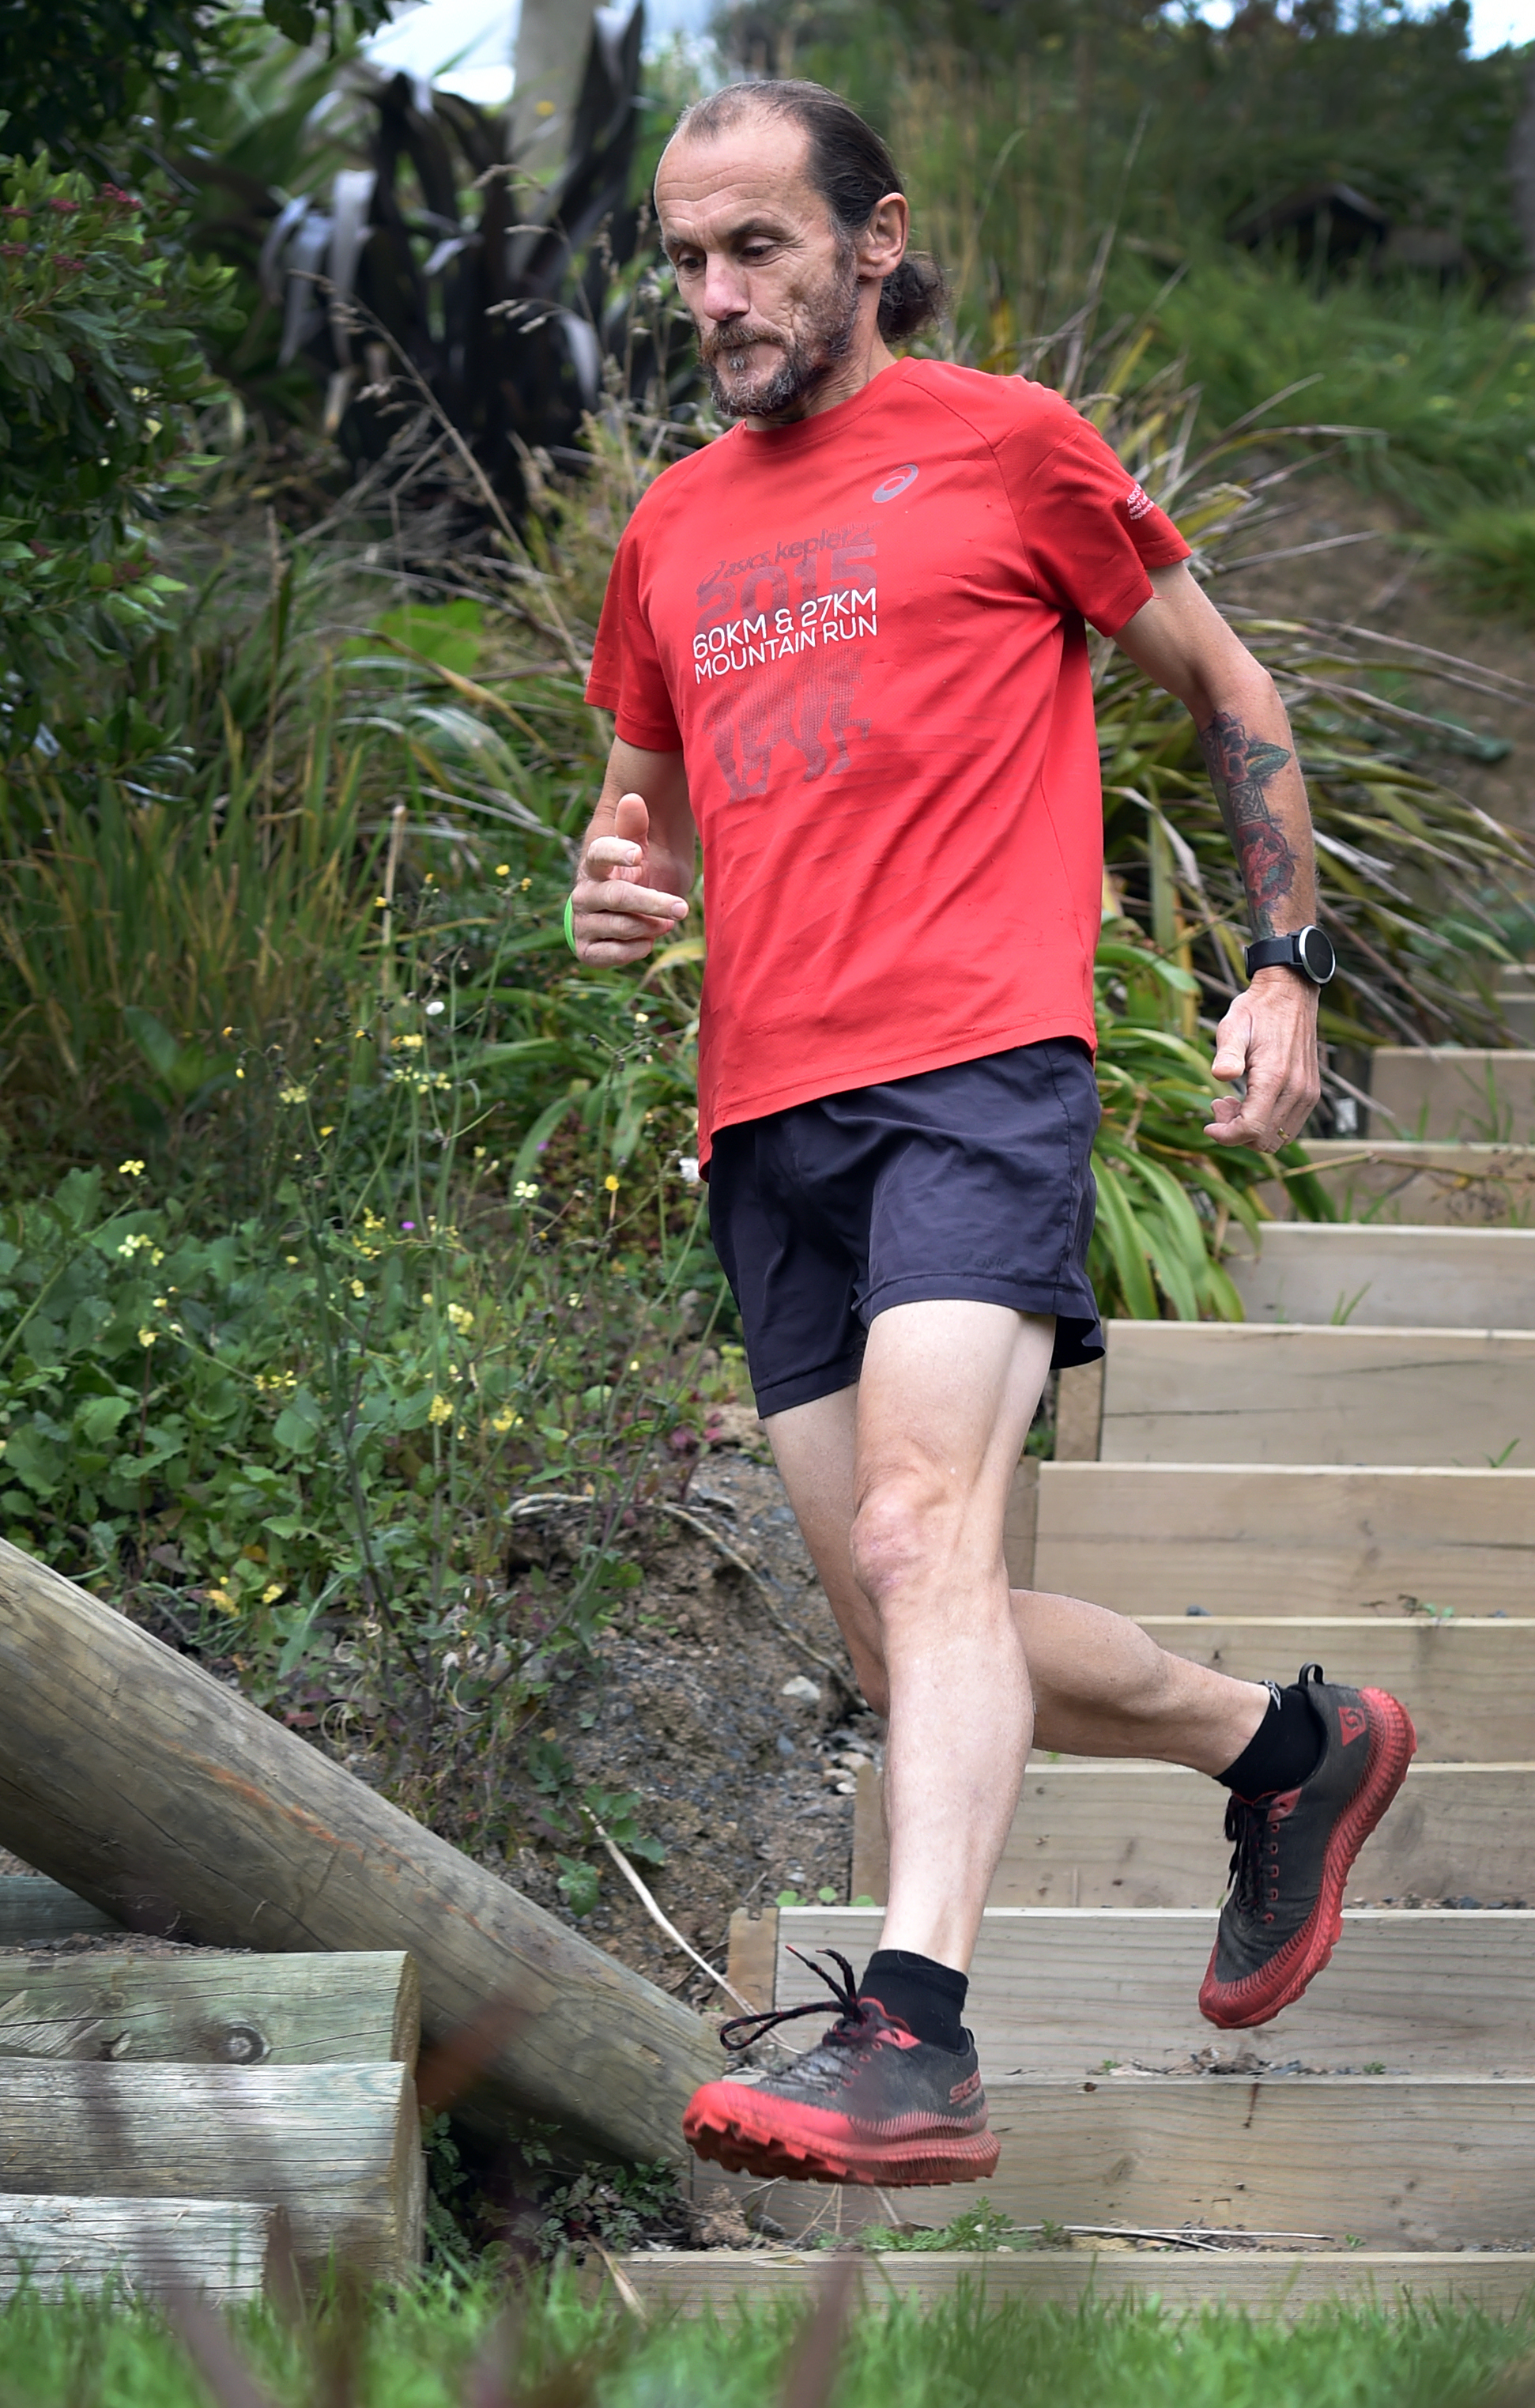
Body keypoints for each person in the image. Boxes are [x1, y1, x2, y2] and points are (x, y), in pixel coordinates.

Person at [571, 78, 1415, 2187]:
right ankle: (1288, 1750)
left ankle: (917, 2035)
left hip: (977, 1069)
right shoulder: (674, 527)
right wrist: (613, 877)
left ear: (872, 238)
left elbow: (1228, 685)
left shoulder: (1011, 448)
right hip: (765, 1113)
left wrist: (1287, 957)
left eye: (758, 245)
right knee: (897, 1615)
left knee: (921, 1531)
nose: (718, 293)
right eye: (686, 258)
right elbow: (636, 809)